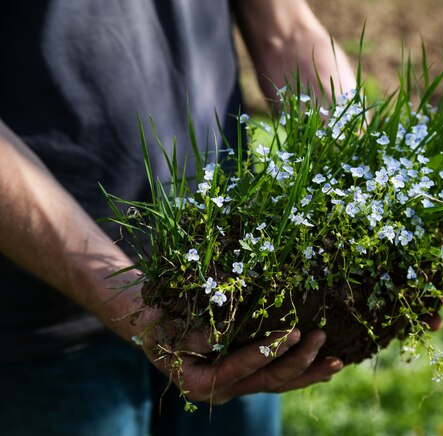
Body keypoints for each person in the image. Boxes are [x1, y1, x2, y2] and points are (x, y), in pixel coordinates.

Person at [0, 1, 358, 434]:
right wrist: (127, 299)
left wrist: (363, 181)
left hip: (231, 298)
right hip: (46, 325)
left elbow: (285, 29)